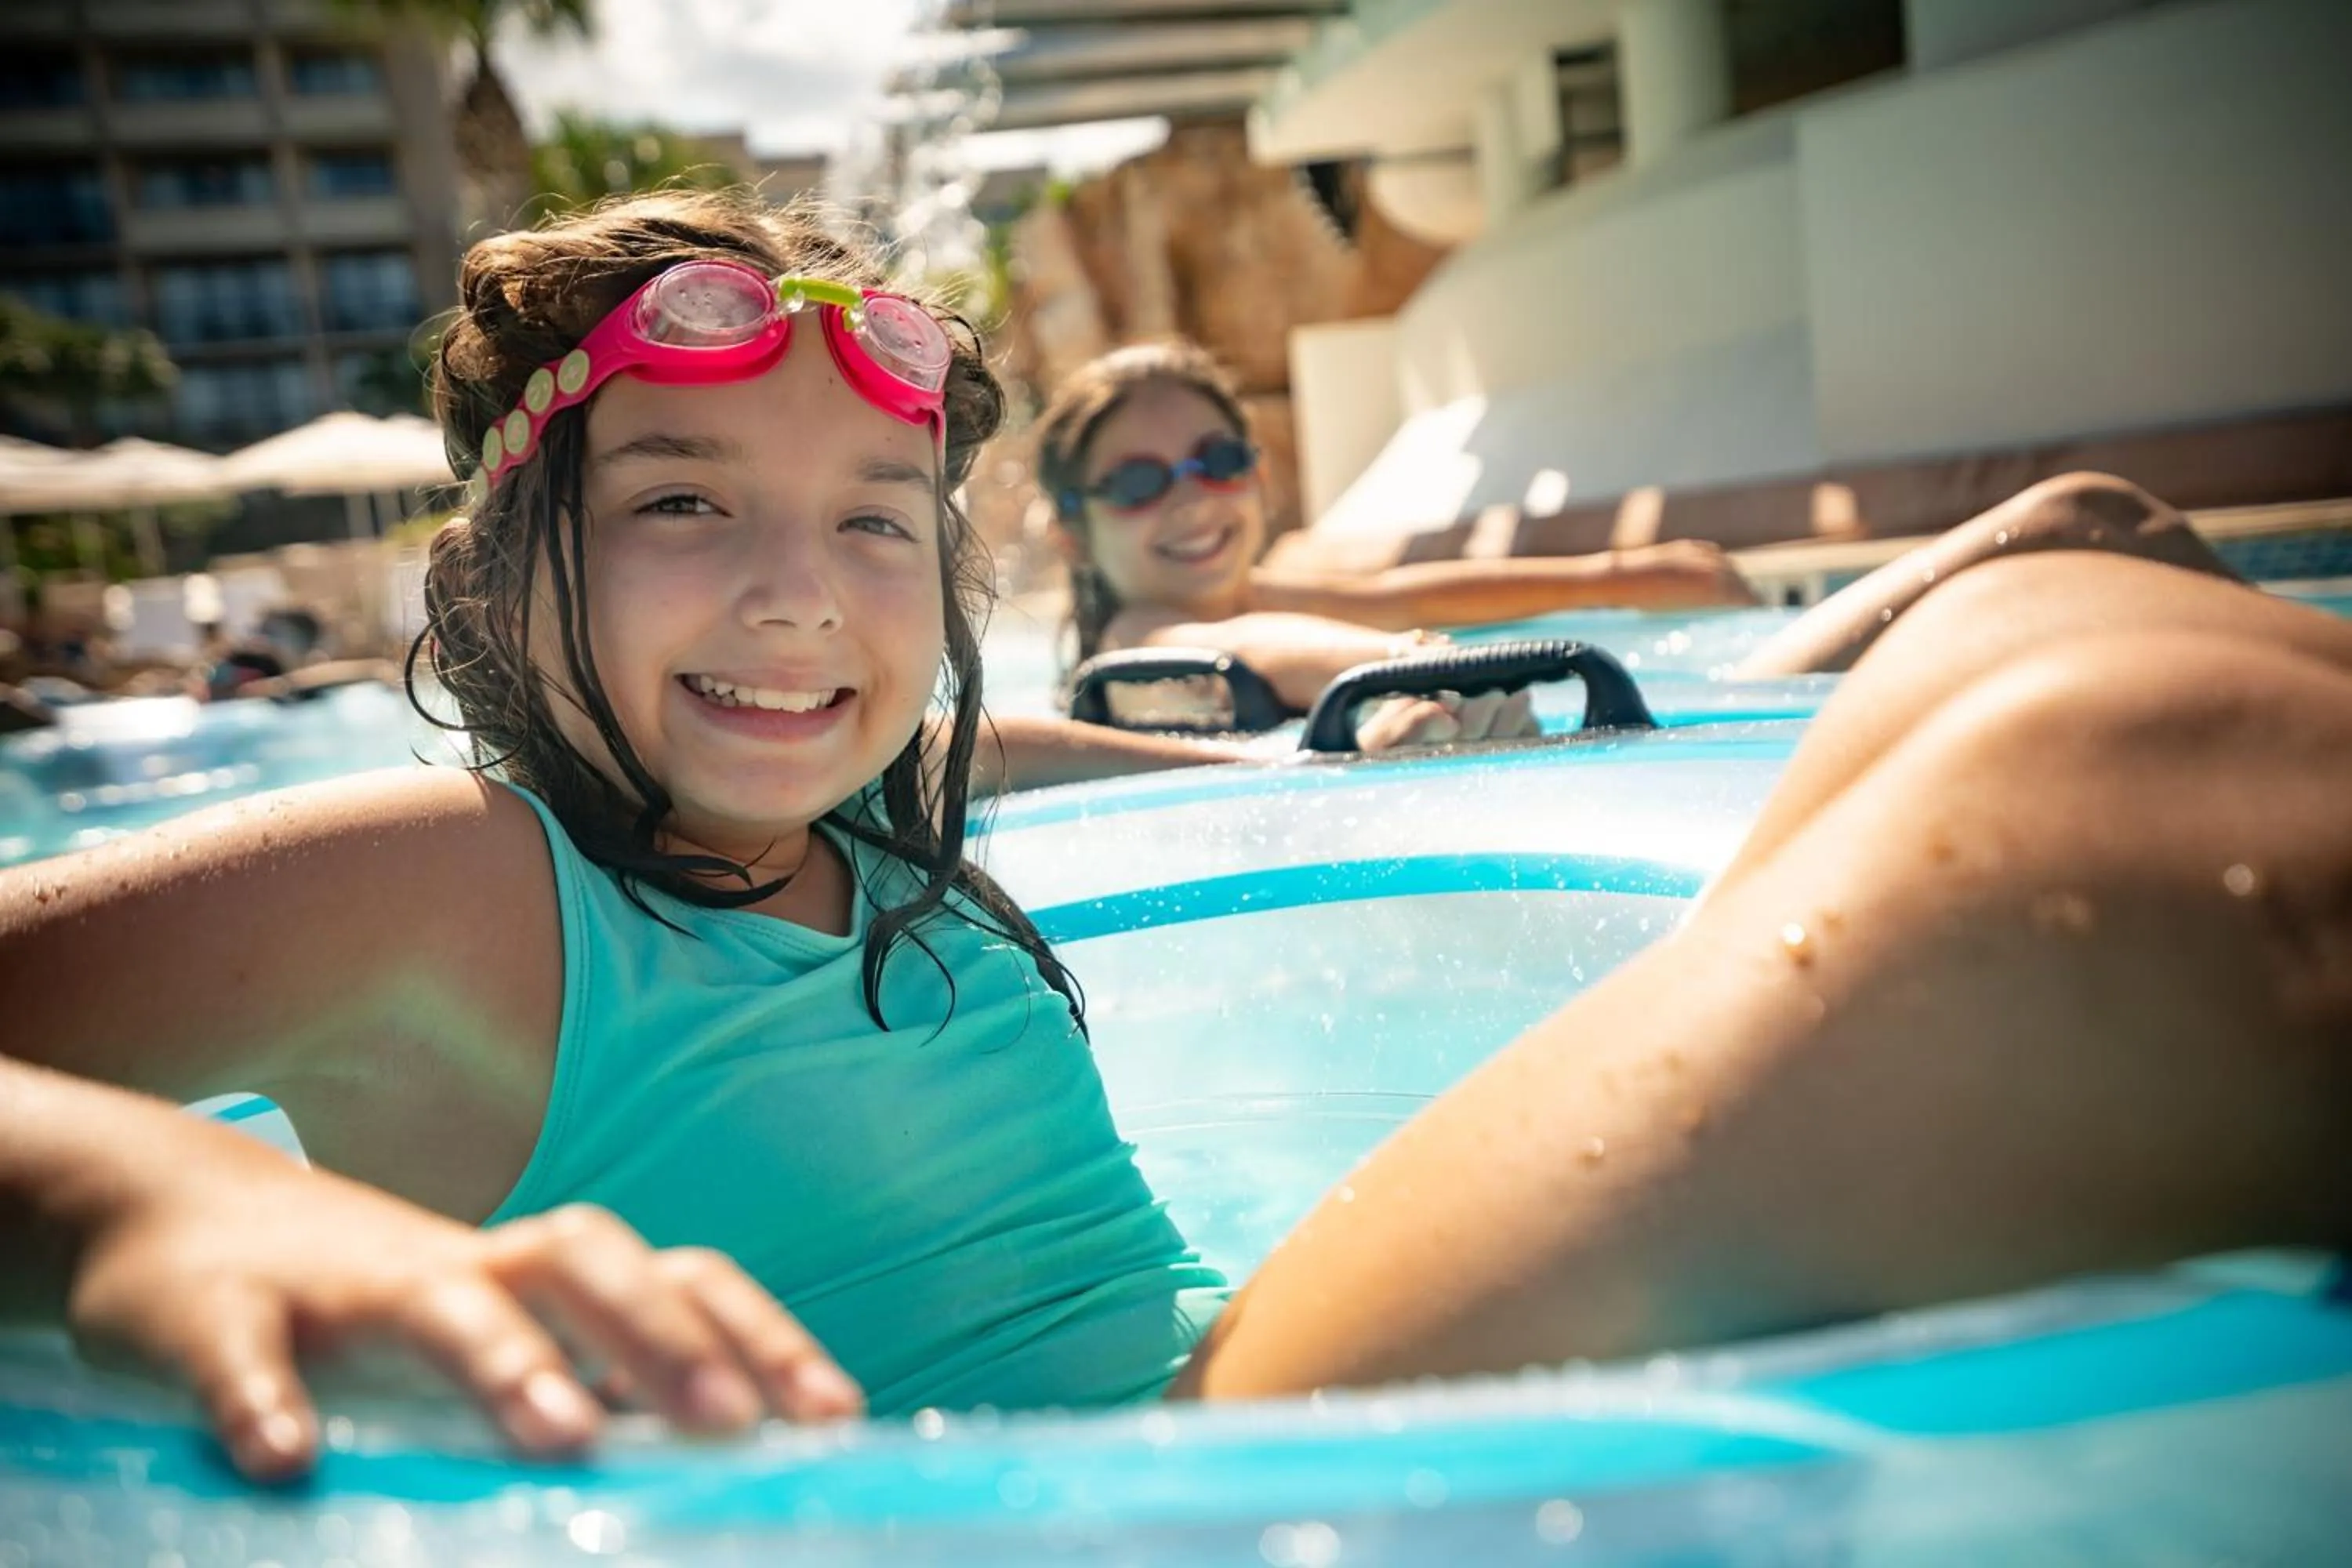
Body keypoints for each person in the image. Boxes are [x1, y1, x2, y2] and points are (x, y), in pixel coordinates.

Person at [2, 193, 2345, 1483]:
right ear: (513, 569)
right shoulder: (457, 891)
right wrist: (155, 1196)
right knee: (2114, 809)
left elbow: (987, 759)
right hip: (1085, 1505)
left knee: (2059, 593)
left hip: (1233, 1398)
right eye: (687, 506)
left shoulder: (864, 831)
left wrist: (1262, 779)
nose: (800, 588)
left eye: (876, 524)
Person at [1030, 339, 2249, 699]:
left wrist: (1634, 567)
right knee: (2085, 518)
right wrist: (1414, 682)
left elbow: (1417, 601)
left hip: (1607, 702)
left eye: (1215, 457)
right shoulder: (1153, 633)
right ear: (1077, 531)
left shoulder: (1250, 589)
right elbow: (1303, 655)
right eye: (1138, 484)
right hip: (1618, 715)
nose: (1189, 496)